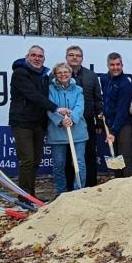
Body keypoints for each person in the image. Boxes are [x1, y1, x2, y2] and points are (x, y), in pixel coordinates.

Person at [8, 45, 58, 201]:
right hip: (22, 123)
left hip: (38, 123)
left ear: (44, 59)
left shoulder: (43, 76)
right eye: (34, 55)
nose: (37, 58)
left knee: (36, 160)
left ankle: (31, 195)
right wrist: (56, 108)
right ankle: (24, 197)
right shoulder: (20, 73)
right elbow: (33, 95)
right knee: (27, 160)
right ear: (27, 56)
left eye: (40, 56)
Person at [46, 62, 88, 197]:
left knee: (79, 163)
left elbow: (79, 107)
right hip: (57, 132)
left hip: (77, 131)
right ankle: (61, 193)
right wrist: (60, 120)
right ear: (55, 75)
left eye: (66, 72)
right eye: (60, 72)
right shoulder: (50, 89)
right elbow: (49, 107)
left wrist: (72, 119)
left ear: (70, 74)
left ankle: (78, 192)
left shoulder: (78, 90)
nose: (63, 74)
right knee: (59, 164)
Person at [65, 45, 102, 188]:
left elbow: (98, 99)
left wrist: (99, 122)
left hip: (86, 122)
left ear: (82, 58)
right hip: (66, 123)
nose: (75, 58)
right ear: (66, 57)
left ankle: (91, 186)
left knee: (89, 155)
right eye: (71, 55)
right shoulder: (58, 74)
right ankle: (70, 189)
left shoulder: (91, 76)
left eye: (78, 55)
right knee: (69, 156)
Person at [99, 52, 132, 178]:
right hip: (109, 122)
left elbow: (122, 110)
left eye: (118, 64)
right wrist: (104, 112)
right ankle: (117, 182)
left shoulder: (126, 84)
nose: (115, 67)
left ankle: (127, 184)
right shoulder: (104, 79)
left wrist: (113, 132)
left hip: (124, 124)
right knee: (113, 154)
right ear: (108, 65)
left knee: (124, 155)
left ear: (122, 65)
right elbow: (106, 99)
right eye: (112, 65)